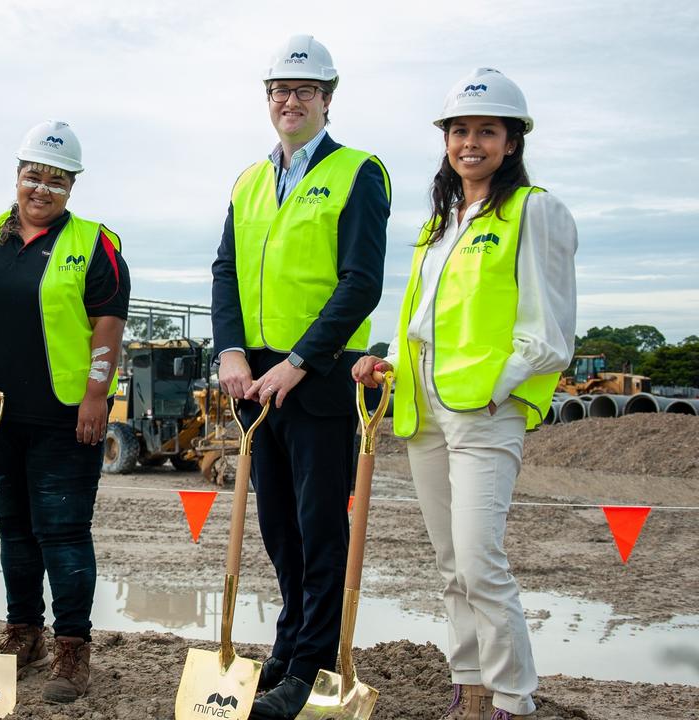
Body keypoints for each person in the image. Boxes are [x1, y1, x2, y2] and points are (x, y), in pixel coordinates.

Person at [353, 68, 577, 720]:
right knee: (450, 565)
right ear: (446, 140)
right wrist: (386, 364)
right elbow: (424, 321)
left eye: (486, 130)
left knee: (482, 564)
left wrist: (493, 391)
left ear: (512, 142)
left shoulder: (532, 211)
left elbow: (549, 333)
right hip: (423, 405)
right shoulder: (441, 223)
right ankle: (471, 685)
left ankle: (513, 699)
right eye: (459, 130)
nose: (470, 142)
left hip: (484, 409)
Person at [210, 34, 390, 720]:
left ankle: (312, 663)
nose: (289, 101)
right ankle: (291, 646)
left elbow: (360, 283)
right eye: (279, 91)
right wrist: (230, 349)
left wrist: (300, 360)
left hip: (314, 378)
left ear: (328, 100)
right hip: (255, 380)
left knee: (319, 526)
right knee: (279, 527)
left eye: (304, 91)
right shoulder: (250, 180)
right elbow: (226, 270)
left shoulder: (358, 172)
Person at [0, 120, 130, 703]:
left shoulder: (95, 244)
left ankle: (72, 648)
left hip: (67, 416)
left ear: (72, 185)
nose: (42, 189)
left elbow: (107, 325)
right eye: (33, 177)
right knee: (13, 527)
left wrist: (96, 395)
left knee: (64, 531)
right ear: (17, 176)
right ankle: (24, 633)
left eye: (57, 180)